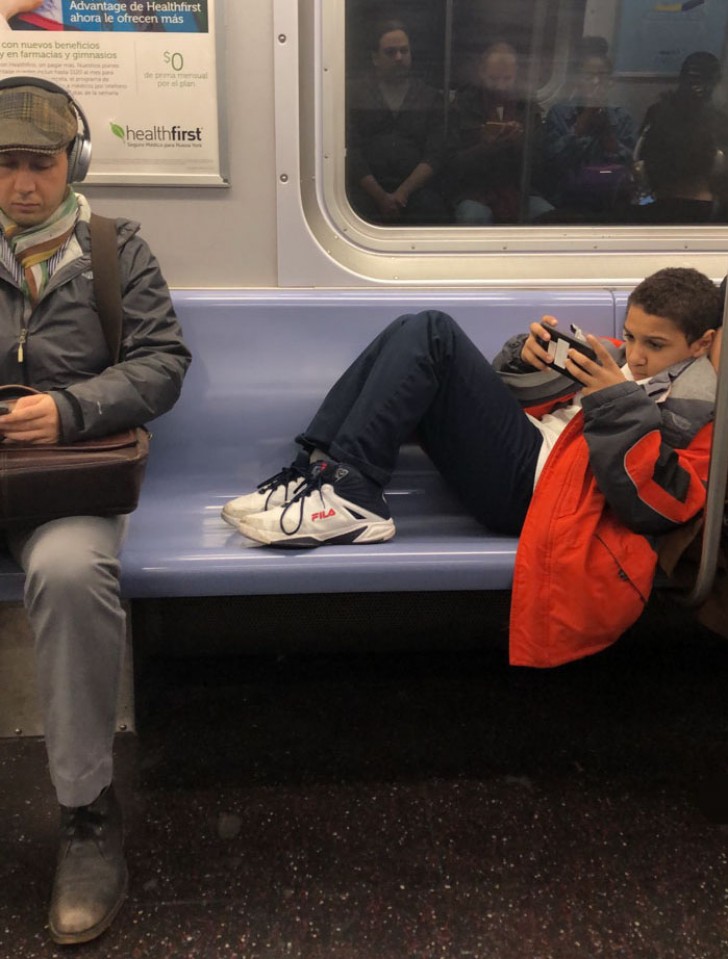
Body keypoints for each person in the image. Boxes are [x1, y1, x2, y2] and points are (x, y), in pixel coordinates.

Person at [223, 268, 720, 669]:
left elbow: (661, 505)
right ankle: (315, 472)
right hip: (529, 454)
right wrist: (526, 363)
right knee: (412, 328)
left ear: (701, 344)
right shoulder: (613, 358)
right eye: (631, 336)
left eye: (655, 345)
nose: (635, 354)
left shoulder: (702, 412)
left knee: (435, 332)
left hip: (541, 492)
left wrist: (615, 399)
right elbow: (509, 400)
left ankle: (351, 496)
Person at [0, 78, 191, 943]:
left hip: (65, 478)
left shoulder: (114, 250)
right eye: (3, 166)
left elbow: (161, 364)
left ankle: (84, 812)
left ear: (70, 163)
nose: (20, 185)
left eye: (37, 164)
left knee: (71, 571)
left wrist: (68, 410)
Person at [346, 19, 449, 225]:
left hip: (417, 192)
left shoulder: (430, 98)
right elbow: (350, 151)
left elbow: (436, 153)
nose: (399, 57)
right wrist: (380, 197)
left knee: (436, 211)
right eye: (390, 52)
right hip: (363, 193)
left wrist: (402, 193)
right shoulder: (353, 95)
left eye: (404, 51)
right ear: (375, 58)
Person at [447, 40, 552, 224]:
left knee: (547, 215)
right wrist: (485, 146)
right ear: (481, 73)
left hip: (519, 190)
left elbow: (542, 166)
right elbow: (451, 167)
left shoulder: (527, 109)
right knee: (474, 216)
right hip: (474, 191)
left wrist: (519, 144)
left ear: (515, 76)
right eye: (494, 79)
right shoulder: (462, 107)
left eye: (507, 79)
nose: (500, 86)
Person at [544, 37, 636, 214]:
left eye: (602, 77)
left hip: (611, 195)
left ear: (610, 82)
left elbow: (629, 164)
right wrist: (584, 120)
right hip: (566, 196)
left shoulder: (621, 116)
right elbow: (552, 162)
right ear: (577, 81)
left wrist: (608, 136)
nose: (596, 83)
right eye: (589, 77)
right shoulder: (560, 113)